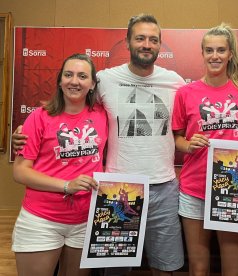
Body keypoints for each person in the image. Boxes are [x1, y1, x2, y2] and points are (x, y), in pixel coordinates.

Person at [12, 14, 185, 276]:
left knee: (166, 266)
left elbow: (185, 129)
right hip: (116, 188)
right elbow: (69, 104)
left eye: (153, 39)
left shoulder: (175, 82)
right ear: (127, 42)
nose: (146, 44)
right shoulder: (104, 79)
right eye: (139, 38)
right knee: (115, 268)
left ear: (160, 45)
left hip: (164, 188)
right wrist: (25, 131)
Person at [11, 53, 108, 276]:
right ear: (59, 80)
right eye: (68, 74)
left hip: (85, 219)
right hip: (42, 219)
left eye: (82, 76)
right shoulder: (39, 117)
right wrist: (67, 185)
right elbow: (20, 171)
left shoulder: (104, 116)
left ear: (92, 84)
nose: (74, 81)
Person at [172, 23, 238, 276]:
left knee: (233, 267)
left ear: (230, 54)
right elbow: (177, 139)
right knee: (198, 267)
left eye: (220, 50)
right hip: (194, 187)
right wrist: (188, 144)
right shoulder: (186, 92)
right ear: (202, 53)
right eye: (209, 50)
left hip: (234, 188)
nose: (214, 56)